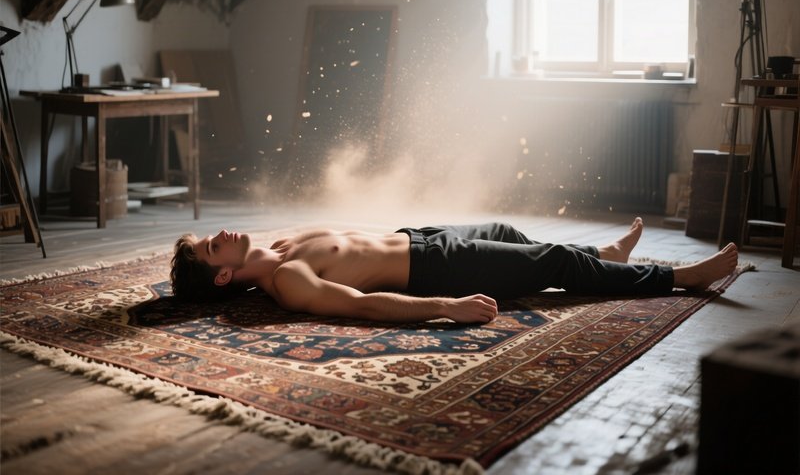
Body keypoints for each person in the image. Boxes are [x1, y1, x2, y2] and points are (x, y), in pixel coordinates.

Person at [170, 218, 738, 324]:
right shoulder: (288, 282)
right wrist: (447, 306)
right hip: (437, 270)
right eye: (213, 247)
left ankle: (605, 257)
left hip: (421, 237)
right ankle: (678, 278)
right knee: (553, 265)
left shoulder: (280, 245)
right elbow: (365, 305)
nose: (222, 234)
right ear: (222, 277)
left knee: (508, 233)